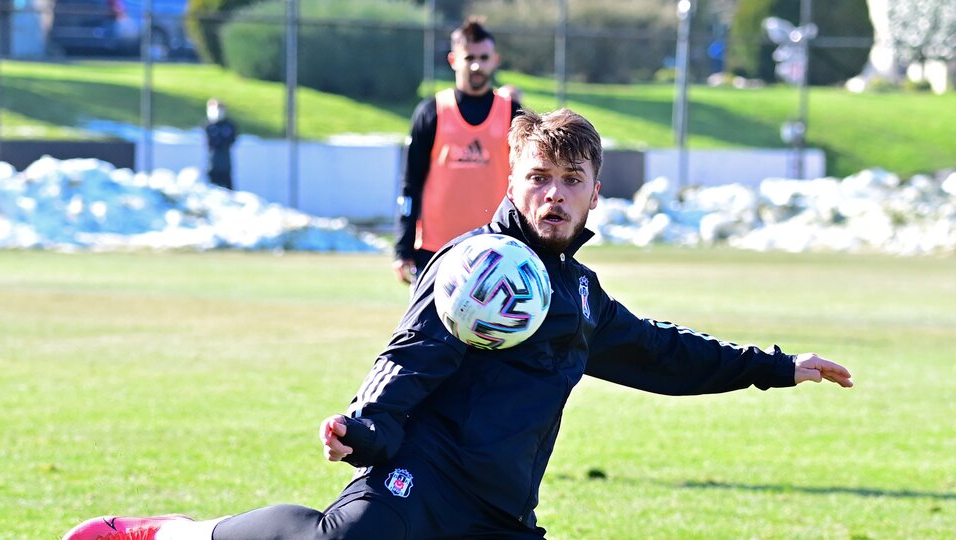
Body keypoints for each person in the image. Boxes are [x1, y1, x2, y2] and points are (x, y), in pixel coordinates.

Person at [63, 108, 853, 540]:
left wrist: (774, 366)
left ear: (593, 193)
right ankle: (161, 537)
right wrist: (365, 429)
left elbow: (660, 354)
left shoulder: (580, 297)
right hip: (422, 483)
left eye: (569, 181)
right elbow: (412, 353)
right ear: (515, 181)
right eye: (538, 178)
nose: (552, 195)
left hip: (500, 512)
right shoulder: (477, 264)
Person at [393, 17, 523, 284]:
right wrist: (403, 248)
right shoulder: (432, 112)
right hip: (436, 248)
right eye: (469, 57)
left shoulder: (512, 113)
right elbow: (410, 184)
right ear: (453, 60)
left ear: (495, 60)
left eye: (484, 57)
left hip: (496, 248)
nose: (476, 65)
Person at [203, 98, 238, 190]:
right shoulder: (208, 125)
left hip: (225, 163)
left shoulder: (229, 124)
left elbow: (231, 140)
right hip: (213, 163)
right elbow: (211, 142)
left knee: (228, 188)